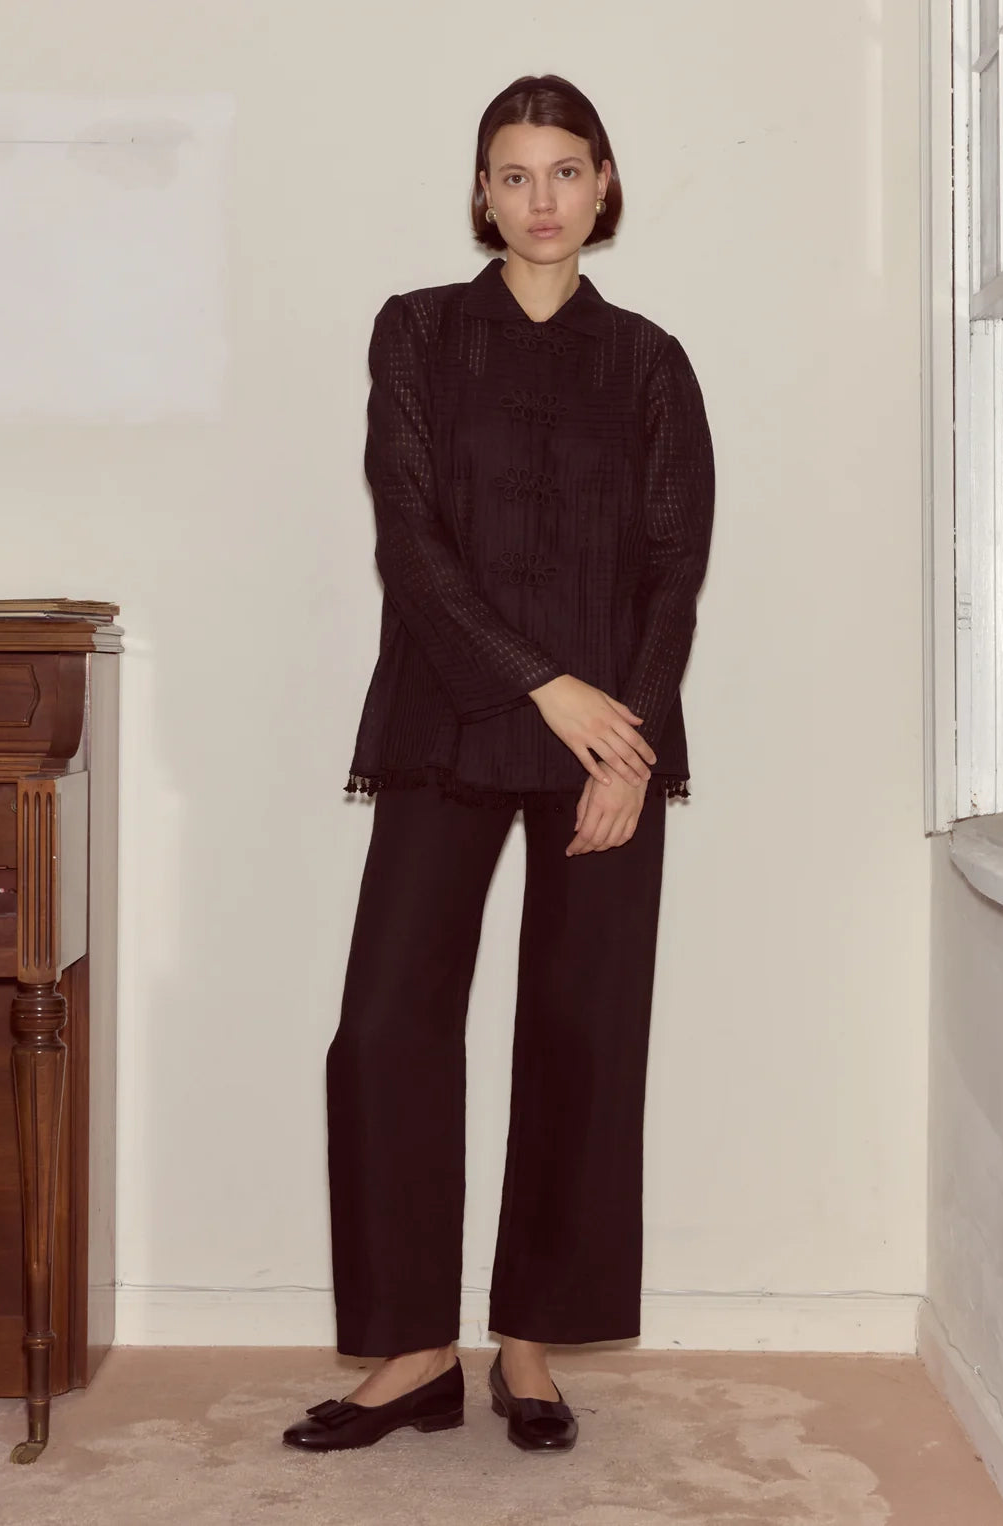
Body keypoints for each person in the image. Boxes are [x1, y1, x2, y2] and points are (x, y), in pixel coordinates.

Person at [283, 73, 715, 1456]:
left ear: (604, 185)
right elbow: (409, 544)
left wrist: (627, 739)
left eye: (564, 172)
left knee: (581, 1034)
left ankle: (528, 1340)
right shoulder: (415, 334)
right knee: (388, 1027)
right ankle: (414, 1351)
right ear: (481, 191)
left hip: (610, 750)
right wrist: (546, 681)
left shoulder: (651, 362)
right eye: (513, 174)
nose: (540, 200)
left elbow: (673, 568)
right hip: (449, 717)